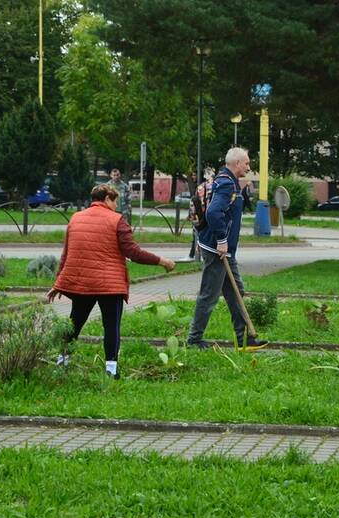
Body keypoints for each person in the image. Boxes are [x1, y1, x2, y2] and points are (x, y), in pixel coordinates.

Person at [46, 184, 176, 378]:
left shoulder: (75, 219)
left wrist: (57, 283)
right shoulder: (117, 220)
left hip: (83, 284)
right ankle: (110, 370)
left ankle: (62, 362)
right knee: (111, 326)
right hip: (109, 285)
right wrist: (161, 261)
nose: (116, 205)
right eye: (115, 201)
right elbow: (133, 252)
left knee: (74, 323)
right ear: (107, 198)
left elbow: (66, 254)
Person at [186, 147, 268, 350]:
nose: (249, 167)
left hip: (224, 249)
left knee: (236, 292)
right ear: (237, 163)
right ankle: (194, 340)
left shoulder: (228, 182)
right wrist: (222, 240)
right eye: (246, 163)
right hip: (217, 249)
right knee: (209, 294)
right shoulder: (226, 183)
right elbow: (214, 213)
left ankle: (244, 339)